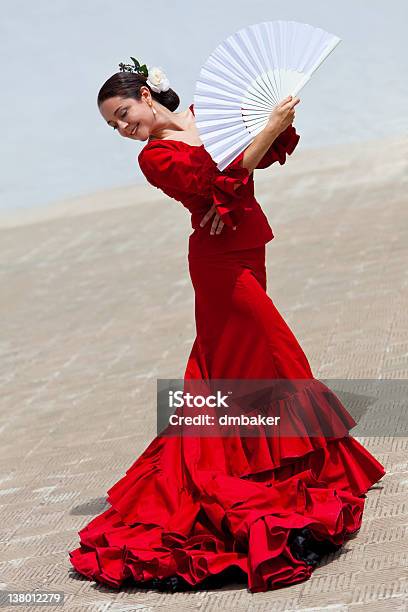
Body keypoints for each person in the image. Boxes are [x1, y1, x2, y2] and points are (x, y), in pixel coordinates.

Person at [68, 61, 385, 593]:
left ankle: (289, 461)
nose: (124, 129)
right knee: (278, 358)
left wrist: (275, 121)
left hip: (244, 249)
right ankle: (297, 468)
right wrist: (253, 147)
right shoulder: (154, 158)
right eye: (114, 126)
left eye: (124, 114)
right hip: (218, 266)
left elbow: (259, 159)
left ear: (147, 96)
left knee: (238, 368)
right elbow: (221, 177)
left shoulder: (205, 116)